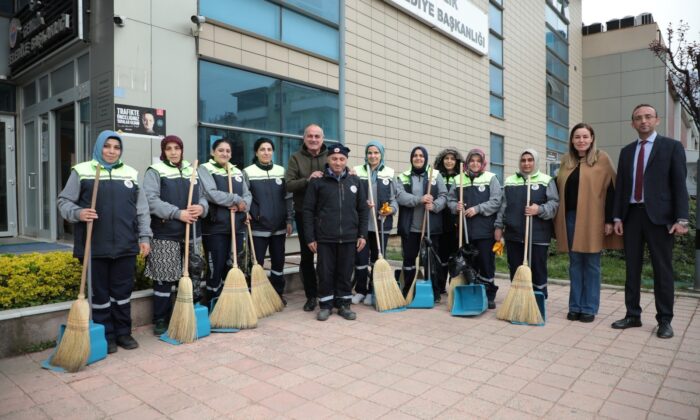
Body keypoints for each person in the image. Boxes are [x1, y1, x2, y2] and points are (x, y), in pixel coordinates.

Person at [57, 130, 152, 354]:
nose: (111, 151)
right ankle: (105, 335)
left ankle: (123, 333)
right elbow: (64, 201)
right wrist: (78, 213)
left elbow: (142, 210)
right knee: (99, 296)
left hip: (126, 245)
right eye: (107, 146)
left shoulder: (130, 173)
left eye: (116, 147)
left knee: (122, 294)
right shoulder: (82, 171)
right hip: (94, 246)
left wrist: (145, 237)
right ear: (99, 147)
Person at [611, 104, 689, 339]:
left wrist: (682, 218)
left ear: (657, 120)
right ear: (632, 123)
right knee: (631, 268)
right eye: (638, 118)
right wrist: (617, 216)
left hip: (660, 218)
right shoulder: (626, 152)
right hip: (632, 216)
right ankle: (632, 314)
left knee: (662, 270)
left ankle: (665, 320)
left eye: (648, 117)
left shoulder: (672, 147)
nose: (643, 121)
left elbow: (679, 185)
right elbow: (621, 187)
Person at [554, 124, 622, 323]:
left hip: (594, 218)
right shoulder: (567, 161)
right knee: (575, 263)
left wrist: (610, 219)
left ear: (592, 138)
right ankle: (575, 306)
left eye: (585, 136)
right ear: (572, 140)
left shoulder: (602, 159)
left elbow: (612, 190)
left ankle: (589, 307)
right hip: (571, 217)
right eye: (577, 137)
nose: (581, 140)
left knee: (591, 264)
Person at [143, 135, 208, 335]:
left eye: (177, 148)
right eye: (169, 148)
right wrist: (177, 213)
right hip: (165, 234)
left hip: (192, 234)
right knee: (163, 278)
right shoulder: (155, 171)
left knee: (190, 278)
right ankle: (161, 319)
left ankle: (186, 315)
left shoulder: (193, 170)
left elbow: (205, 196)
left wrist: (201, 207)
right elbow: (150, 200)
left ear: (181, 150)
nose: (173, 151)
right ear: (164, 151)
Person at [303, 144, 368, 321]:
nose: (338, 162)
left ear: (346, 161)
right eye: (334, 159)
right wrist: (310, 237)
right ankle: (325, 305)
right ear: (328, 159)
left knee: (345, 272)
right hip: (325, 237)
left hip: (349, 236)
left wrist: (362, 234)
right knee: (325, 272)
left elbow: (363, 209)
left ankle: (344, 305)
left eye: (341, 159)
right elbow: (308, 210)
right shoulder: (317, 182)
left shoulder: (356, 181)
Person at [495, 149, 558, 299]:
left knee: (538, 269)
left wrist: (539, 209)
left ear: (535, 162)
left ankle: (538, 300)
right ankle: (518, 300)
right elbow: (503, 206)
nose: (526, 163)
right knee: (515, 269)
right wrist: (498, 226)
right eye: (523, 160)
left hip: (538, 235)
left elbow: (555, 204)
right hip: (514, 235)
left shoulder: (546, 180)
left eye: (530, 160)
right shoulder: (510, 181)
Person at [198, 138, 251, 303]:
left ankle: (230, 305)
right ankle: (213, 303)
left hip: (237, 226)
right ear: (212, 152)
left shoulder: (237, 171)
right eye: (220, 150)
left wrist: (243, 206)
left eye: (228, 151)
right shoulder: (204, 169)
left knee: (234, 266)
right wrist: (235, 199)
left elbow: (247, 194)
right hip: (215, 228)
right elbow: (210, 193)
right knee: (216, 267)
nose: (224, 153)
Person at [448, 148, 502, 309]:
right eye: (472, 160)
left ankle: (488, 294)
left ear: (483, 162)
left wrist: (477, 209)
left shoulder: (491, 178)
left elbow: (496, 201)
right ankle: (471, 292)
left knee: (486, 263)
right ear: (467, 163)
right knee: (469, 264)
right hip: (465, 232)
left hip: (485, 231)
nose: (475, 163)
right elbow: (450, 201)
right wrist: (455, 206)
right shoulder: (458, 179)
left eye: (478, 161)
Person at [244, 138, 293, 305]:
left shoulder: (281, 170)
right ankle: (255, 297)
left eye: (269, 149)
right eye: (262, 149)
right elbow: (245, 197)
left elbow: (287, 197)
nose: (266, 152)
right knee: (257, 264)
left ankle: (277, 295)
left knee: (278, 263)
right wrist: (248, 213)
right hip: (258, 226)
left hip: (279, 227)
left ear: (273, 152)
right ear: (256, 152)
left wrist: (289, 219)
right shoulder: (248, 172)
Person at [285, 124, 329, 311]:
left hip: (328, 215)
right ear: (304, 138)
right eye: (310, 136)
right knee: (307, 256)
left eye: (317, 136)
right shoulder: (296, 158)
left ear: (322, 138)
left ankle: (328, 292)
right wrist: (308, 180)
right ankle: (311, 295)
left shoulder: (330, 156)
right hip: (305, 214)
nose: (313, 139)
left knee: (328, 255)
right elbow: (288, 184)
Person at [396, 146, 448, 302]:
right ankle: (408, 289)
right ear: (411, 158)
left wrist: (434, 205)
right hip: (410, 228)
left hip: (430, 228)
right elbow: (399, 196)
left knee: (430, 262)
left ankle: (434, 291)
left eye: (421, 156)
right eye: (415, 156)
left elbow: (444, 196)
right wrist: (419, 199)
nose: (418, 158)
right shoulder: (403, 176)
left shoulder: (435, 175)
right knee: (409, 260)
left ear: (425, 158)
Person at [351, 140, 398, 305]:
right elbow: (352, 196)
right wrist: (362, 203)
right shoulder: (356, 171)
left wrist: (390, 210)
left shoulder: (389, 173)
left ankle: (373, 291)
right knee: (360, 259)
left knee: (378, 260)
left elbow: (395, 200)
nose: (373, 156)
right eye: (370, 153)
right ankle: (360, 290)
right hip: (362, 224)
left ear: (381, 154)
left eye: (376, 153)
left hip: (381, 224)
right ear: (366, 155)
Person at [434, 148, 463, 295]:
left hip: (455, 221)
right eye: (446, 158)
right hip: (439, 220)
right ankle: (439, 285)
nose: (449, 161)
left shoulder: (461, 177)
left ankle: (454, 284)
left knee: (455, 254)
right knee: (441, 255)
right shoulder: (436, 176)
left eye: (452, 159)